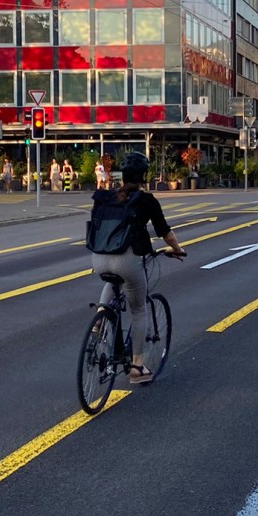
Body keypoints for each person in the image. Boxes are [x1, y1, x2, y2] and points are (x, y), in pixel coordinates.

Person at [88, 152, 186, 384]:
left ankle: (100, 319)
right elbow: (165, 233)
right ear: (144, 176)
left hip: (98, 258)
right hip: (128, 260)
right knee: (138, 309)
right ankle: (137, 368)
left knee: (112, 281)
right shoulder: (147, 200)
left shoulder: (107, 197)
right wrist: (178, 249)